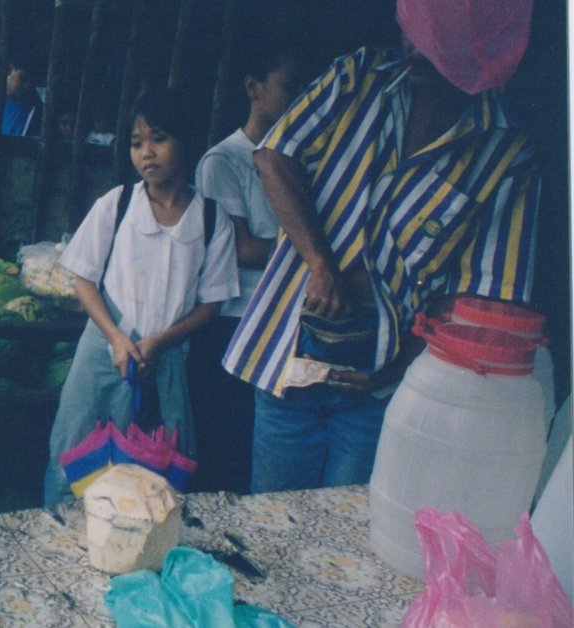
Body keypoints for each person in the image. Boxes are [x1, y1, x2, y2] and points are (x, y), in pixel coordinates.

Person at [223, 0, 539, 493]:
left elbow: (479, 296)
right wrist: (320, 266)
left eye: (437, 41)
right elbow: (274, 158)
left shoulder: (506, 155)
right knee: (273, 520)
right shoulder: (360, 76)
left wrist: (395, 368)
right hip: (289, 356)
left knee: (344, 533)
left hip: (379, 384)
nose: (414, 48)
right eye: (415, 31)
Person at [44, 88, 239, 505]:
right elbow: (84, 281)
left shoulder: (210, 218)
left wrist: (158, 343)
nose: (146, 153)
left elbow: (211, 305)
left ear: (187, 142)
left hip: (166, 359)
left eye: (159, 139)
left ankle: (139, 548)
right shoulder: (116, 206)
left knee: (158, 470)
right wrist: (116, 337)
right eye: (136, 143)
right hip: (102, 353)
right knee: (75, 457)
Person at [189, 44, 308, 494]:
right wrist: (313, 246)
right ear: (252, 88)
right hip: (234, 324)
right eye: (290, 87)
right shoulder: (224, 161)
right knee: (227, 452)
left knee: (259, 453)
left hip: (283, 322)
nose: (300, 99)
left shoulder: (300, 163)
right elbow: (240, 248)